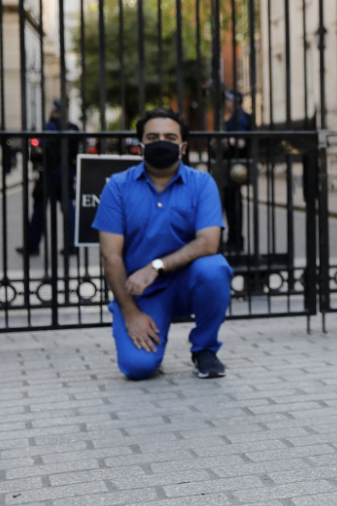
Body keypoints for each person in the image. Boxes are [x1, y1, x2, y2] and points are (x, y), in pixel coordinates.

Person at [93, 109, 232, 380]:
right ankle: (148, 332)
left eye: (170, 137)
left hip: (187, 283)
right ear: (140, 145)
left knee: (214, 269)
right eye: (153, 137)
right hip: (141, 292)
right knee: (138, 367)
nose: (161, 142)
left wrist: (156, 266)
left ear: (183, 147)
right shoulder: (117, 187)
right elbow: (111, 257)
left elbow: (208, 242)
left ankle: (205, 348)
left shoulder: (202, 183)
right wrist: (131, 313)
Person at [17, 99, 80, 256]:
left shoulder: (50, 126)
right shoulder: (73, 128)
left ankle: (33, 245)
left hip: (49, 172)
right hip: (66, 171)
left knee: (39, 207)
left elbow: (40, 150)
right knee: (68, 208)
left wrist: (36, 149)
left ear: (54, 111)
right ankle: (72, 244)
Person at [220, 89, 251, 252]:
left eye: (228, 99)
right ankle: (233, 239)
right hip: (231, 166)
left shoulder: (240, 118)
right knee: (231, 203)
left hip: (235, 166)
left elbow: (241, 142)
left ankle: (235, 241)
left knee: (233, 204)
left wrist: (227, 139)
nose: (226, 102)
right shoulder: (235, 117)